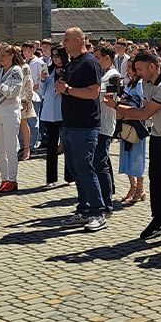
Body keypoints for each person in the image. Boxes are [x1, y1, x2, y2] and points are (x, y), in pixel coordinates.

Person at [116, 50, 161, 244]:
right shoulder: (147, 82)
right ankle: (157, 221)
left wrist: (118, 109)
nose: (137, 73)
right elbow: (146, 111)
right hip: (158, 134)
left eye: (140, 69)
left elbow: (144, 114)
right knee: (155, 179)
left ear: (152, 66)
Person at [56, 28, 106, 232]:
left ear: (79, 40)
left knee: (85, 168)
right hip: (70, 124)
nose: (64, 43)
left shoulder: (90, 62)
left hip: (84, 126)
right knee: (76, 170)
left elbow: (94, 92)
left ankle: (98, 211)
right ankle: (84, 209)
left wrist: (67, 90)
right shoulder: (73, 63)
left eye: (66, 39)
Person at [0, 43, 32, 193]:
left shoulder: (16, 70)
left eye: (4, 55)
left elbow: (13, 93)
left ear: (11, 56)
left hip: (11, 112)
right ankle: (4, 178)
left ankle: (12, 179)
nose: (1, 59)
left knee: (10, 147)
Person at [38, 46, 71, 188]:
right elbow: (42, 91)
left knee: (68, 144)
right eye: (54, 56)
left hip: (65, 111)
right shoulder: (49, 70)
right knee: (51, 147)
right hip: (50, 113)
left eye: (58, 55)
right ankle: (51, 178)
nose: (56, 58)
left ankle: (70, 176)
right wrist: (43, 80)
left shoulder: (70, 69)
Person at [93, 43, 120, 212]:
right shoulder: (102, 73)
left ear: (107, 58)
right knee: (103, 160)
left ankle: (106, 201)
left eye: (97, 58)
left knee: (100, 163)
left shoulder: (114, 76)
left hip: (105, 123)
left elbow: (108, 96)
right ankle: (108, 192)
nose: (95, 61)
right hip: (97, 122)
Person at [116, 60, 146, 204]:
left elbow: (142, 104)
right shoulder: (128, 83)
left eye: (131, 68)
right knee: (127, 156)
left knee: (137, 157)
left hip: (136, 124)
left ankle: (140, 188)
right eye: (127, 67)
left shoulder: (140, 85)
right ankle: (132, 186)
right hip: (126, 123)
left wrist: (126, 102)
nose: (128, 70)